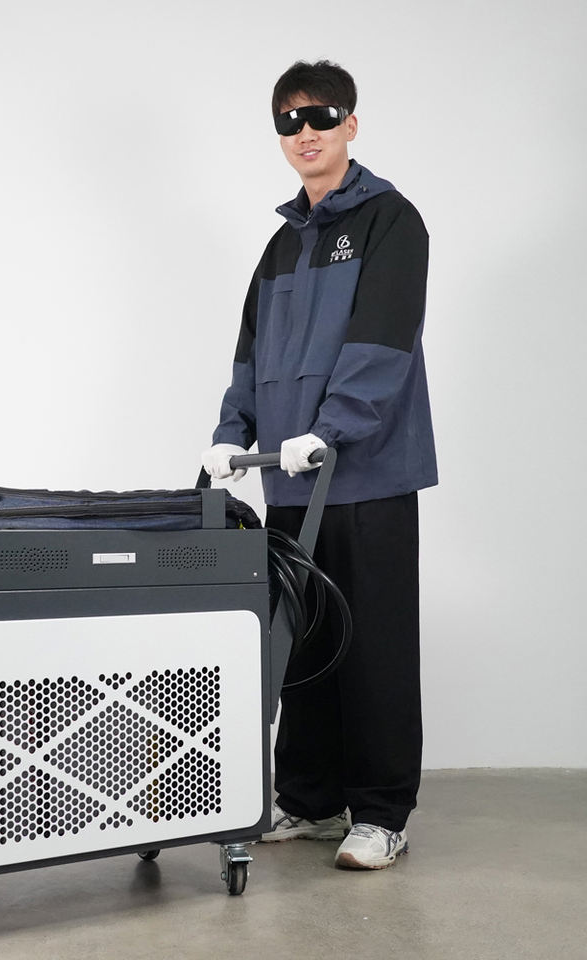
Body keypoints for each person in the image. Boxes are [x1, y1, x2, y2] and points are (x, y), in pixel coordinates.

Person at [201, 60, 437, 870]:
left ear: (350, 125)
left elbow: (382, 344)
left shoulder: (390, 221)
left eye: (321, 117)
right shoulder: (280, 246)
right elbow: (251, 355)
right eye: (289, 122)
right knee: (301, 642)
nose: (305, 133)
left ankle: (381, 812)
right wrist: (232, 433)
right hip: (291, 476)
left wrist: (331, 430)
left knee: (373, 645)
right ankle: (309, 799)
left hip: (366, 473)